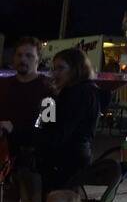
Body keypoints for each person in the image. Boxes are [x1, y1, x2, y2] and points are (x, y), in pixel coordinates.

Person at [0, 37, 55, 202]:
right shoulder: (4, 86)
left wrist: (16, 129)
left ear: (38, 60)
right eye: (19, 55)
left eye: (29, 55)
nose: (23, 59)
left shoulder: (48, 89)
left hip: (36, 166)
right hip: (9, 165)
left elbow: (48, 125)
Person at [35, 49, 100, 193]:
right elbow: (44, 123)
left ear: (76, 69)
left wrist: (26, 135)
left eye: (61, 68)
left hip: (66, 163)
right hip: (66, 161)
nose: (56, 73)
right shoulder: (67, 92)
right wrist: (49, 99)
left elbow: (57, 132)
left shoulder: (80, 93)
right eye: (54, 68)